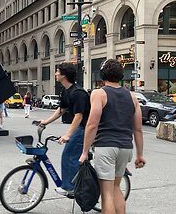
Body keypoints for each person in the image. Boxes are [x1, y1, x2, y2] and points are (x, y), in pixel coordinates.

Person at [79, 59, 145, 214]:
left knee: (106, 193)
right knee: (116, 188)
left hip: (105, 146)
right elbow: (138, 129)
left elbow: (92, 125)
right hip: (125, 148)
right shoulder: (132, 96)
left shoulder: (99, 93)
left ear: (103, 75)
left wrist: (84, 152)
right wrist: (140, 155)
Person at [37, 62, 90, 196]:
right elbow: (61, 110)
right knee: (69, 154)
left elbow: (79, 116)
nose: (56, 74)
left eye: (58, 72)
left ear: (64, 75)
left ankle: (71, 187)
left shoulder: (78, 93)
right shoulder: (66, 91)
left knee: (69, 154)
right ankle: (73, 183)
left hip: (86, 128)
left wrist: (67, 135)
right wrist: (45, 122)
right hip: (80, 126)